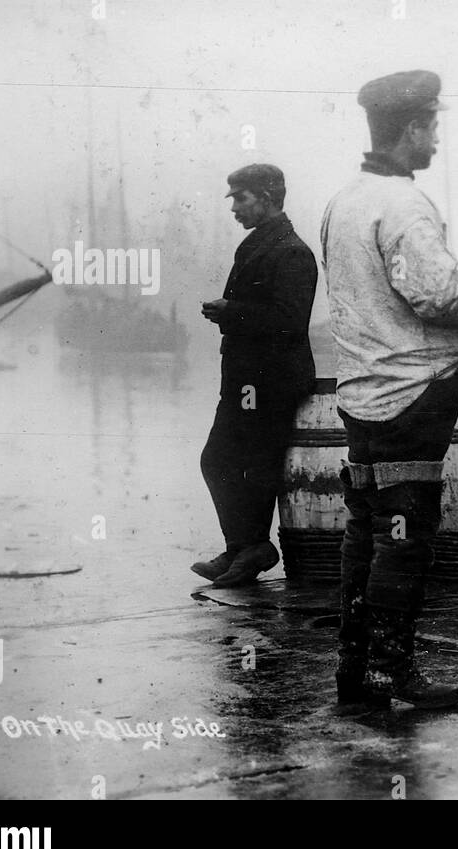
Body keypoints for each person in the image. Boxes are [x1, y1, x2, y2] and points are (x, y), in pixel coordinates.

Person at [320, 70, 458, 711]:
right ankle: (393, 675)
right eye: (432, 127)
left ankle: (354, 671)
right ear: (412, 128)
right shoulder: (405, 205)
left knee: (364, 529)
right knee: (404, 531)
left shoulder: (343, 200)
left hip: (358, 393)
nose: (436, 140)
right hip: (413, 393)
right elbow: (439, 294)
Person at [195, 164, 316, 587]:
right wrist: (233, 315)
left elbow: (291, 321)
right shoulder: (256, 246)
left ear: (267, 197)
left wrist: (233, 313)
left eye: (240, 198)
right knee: (219, 460)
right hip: (247, 381)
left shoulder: (292, 252)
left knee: (255, 465)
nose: (233, 208)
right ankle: (242, 547)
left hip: (273, 381)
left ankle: (251, 549)